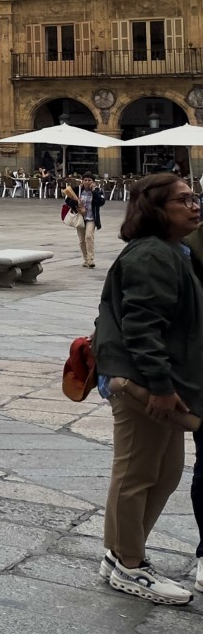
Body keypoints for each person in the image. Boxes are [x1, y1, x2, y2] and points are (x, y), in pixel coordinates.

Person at [92, 172, 201, 605]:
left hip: (164, 382)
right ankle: (130, 566)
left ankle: (119, 554)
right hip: (141, 383)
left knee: (165, 472)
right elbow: (141, 327)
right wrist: (158, 384)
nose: (194, 205)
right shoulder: (153, 255)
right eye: (183, 200)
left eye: (195, 197)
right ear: (156, 209)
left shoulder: (174, 250)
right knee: (136, 473)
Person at [64, 177, 96, 268]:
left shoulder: (96, 191)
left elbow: (101, 202)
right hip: (80, 217)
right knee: (82, 240)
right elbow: (67, 200)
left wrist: (94, 191)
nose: (87, 182)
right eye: (85, 180)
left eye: (89, 180)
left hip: (91, 217)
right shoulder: (77, 190)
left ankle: (90, 259)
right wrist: (76, 203)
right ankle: (85, 259)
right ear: (82, 181)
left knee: (89, 236)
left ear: (92, 181)